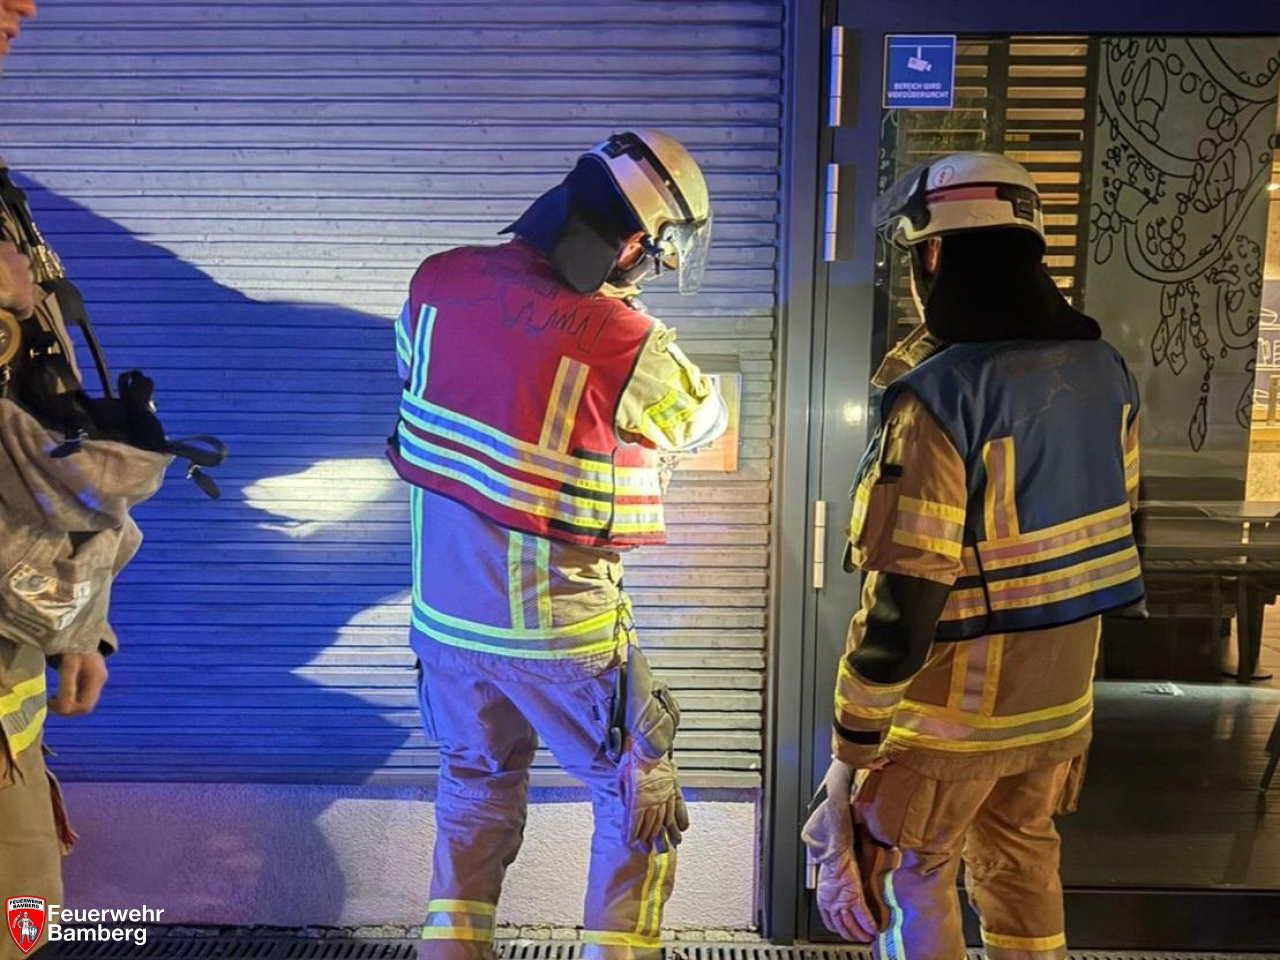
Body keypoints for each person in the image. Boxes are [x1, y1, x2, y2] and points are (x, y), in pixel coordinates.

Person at [388, 130, 727, 960]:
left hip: (446, 628)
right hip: (562, 634)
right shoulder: (629, 341)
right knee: (638, 796)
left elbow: (430, 382)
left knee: (473, 793)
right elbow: (701, 421)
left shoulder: (436, 283)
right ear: (636, 243)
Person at [802, 152, 1143, 960]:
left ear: (933, 254)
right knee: (1023, 864)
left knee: (910, 875)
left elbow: (906, 597)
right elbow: (1121, 534)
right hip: (1060, 707)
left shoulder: (941, 395)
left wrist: (853, 745)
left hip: (949, 719)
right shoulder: (1106, 374)